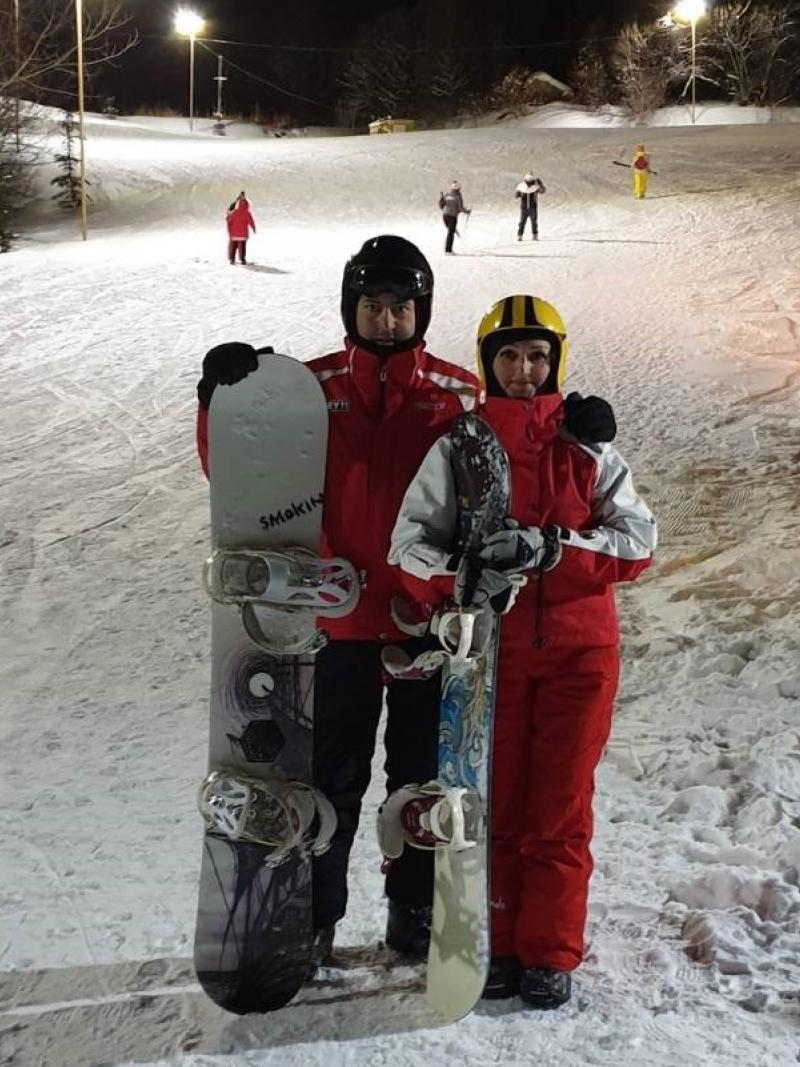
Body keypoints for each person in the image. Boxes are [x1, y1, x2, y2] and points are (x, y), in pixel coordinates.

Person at [194, 248, 618, 970]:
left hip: (430, 624)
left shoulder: (456, 394)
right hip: (338, 624)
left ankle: (414, 910)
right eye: (372, 307)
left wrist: (567, 418)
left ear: (421, 312)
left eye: (401, 308)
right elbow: (244, 473)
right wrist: (221, 402)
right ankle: (314, 911)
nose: (387, 322)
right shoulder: (310, 387)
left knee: (421, 779)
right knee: (330, 779)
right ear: (349, 308)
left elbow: (515, 437)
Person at [388, 294, 656, 1009]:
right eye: (508, 355)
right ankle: (500, 939)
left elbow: (637, 541)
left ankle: (550, 950)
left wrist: (555, 549)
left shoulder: (588, 446)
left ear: (557, 360)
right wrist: (461, 577)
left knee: (559, 806)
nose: (524, 369)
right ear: (487, 362)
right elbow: (406, 546)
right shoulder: (462, 444)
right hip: (490, 654)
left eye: (538, 355)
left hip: (579, 654)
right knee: (496, 801)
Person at [438, 180, 471, 255]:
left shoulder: (446, 194)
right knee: (451, 233)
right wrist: (467, 211)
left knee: (450, 231)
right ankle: (448, 250)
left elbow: (441, 204)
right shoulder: (458, 196)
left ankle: (447, 249)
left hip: (445, 215)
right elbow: (461, 207)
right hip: (452, 216)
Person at [226, 191, 256, 264]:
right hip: (243, 235)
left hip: (234, 234)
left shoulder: (234, 212)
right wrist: (253, 228)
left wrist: (229, 227)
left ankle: (232, 259)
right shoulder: (247, 213)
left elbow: (229, 219)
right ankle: (242, 259)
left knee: (233, 247)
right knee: (242, 248)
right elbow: (251, 221)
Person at [515, 172, 546, 241]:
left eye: (530, 181)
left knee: (534, 222)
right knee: (522, 222)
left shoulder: (535, 187)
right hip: (524, 208)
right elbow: (516, 195)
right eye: (527, 181)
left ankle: (535, 235)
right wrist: (519, 194)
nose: (529, 184)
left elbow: (543, 191)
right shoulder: (522, 187)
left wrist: (540, 184)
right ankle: (520, 235)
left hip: (533, 207)